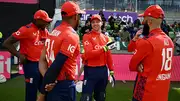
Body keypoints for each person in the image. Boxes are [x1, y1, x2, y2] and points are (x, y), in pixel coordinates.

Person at [38, 1, 85, 101]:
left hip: (52, 83)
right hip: (63, 86)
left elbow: (42, 60)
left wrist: (48, 81)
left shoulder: (52, 33)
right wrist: (43, 91)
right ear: (75, 16)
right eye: (79, 16)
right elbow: (57, 64)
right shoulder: (71, 35)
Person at [3, 10, 52, 101]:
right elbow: (7, 43)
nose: (47, 23)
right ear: (37, 20)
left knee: (46, 92)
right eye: (45, 21)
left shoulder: (44, 31)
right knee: (31, 92)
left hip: (43, 64)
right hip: (31, 65)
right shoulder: (25, 30)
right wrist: (19, 55)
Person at [129, 5, 174, 101]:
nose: (142, 22)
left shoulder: (147, 41)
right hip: (162, 94)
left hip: (145, 93)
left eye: (144, 19)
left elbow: (132, 66)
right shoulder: (169, 41)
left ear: (149, 21)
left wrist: (138, 65)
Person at [80, 14, 115, 101]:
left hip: (103, 71)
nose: (95, 24)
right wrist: (104, 48)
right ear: (90, 24)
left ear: (101, 23)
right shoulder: (87, 36)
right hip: (90, 70)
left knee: (100, 96)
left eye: (97, 22)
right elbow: (89, 54)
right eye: (93, 22)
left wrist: (111, 71)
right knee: (86, 97)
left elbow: (109, 56)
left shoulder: (106, 38)